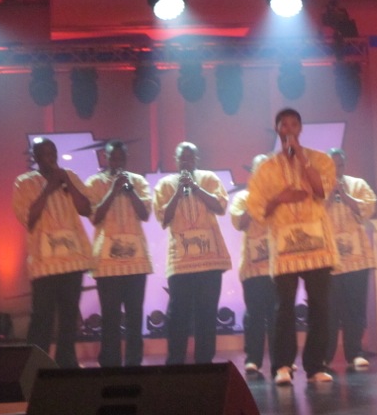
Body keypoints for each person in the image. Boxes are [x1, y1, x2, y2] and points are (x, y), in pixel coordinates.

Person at [247, 108, 339, 385]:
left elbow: (322, 190)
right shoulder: (266, 169)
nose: (288, 129)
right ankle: (283, 366)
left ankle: (315, 366)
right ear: (277, 130)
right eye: (284, 125)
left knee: (320, 306)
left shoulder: (320, 159)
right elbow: (257, 210)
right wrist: (280, 198)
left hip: (317, 244)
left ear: (300, 129)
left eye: (293, 125)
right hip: (284, 246)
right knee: (283, 308)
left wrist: (301, 156)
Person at [12, 137, 93, 368]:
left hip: (73, 261)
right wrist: (48, 189)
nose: (51, 158)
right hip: (44, 264)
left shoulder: (70, 176)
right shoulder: (24, 183)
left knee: (69, 318)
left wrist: (67, 182)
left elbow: (86, 209)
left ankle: (67, 364)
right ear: (36, 157)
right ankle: (36, 368)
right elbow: (28, 218)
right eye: (46, 154)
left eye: (53, 153)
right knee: (42, 318)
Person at [153, 141, 232, 365]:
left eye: (190, 157)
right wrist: (178, 192)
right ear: (176, 160)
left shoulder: (209, 178)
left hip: (210, 261)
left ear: (196, 159)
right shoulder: (165, 185)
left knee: (206, 313)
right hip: (180, 261)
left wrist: (195, 188)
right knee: (178, 314)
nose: (186, 161)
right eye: (182, 158)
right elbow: (163, 218)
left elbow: (220, 207)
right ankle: (175, 362)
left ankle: (204, 362)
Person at [85, 140, 153, 367]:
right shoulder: (94, 183)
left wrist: (129, 190)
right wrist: (113, 190)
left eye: (121, 158)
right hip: (107, 263)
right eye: (113, 158)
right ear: (105, 158)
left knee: (135, 315)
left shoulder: (138, 182)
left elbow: (145, 215)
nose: (117, 162)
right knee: (110, 316)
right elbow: (95, 217)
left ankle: (134, 362)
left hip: (136, 262)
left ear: (126, 158)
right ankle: (110, 363)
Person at [324, 148, 377, 371]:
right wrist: (330, 195)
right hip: (330, 261)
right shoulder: (317, 188)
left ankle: (355, 352)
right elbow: (313, 215)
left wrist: (344, 195)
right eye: (332, 166)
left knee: (355, 309)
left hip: (357, 258)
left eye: (340, 165)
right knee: (329, 311)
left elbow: (369, 208)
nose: (336, 169)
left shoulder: (358, 184)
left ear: (345, 165)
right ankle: (325, 357)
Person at [229, 153, 276, 374]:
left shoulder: (281, 196)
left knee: (277, 315)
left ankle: (281, 360)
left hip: (278, 267)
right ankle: (253, 359)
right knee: (255, 314)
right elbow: (240, 222)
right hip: (252, 267)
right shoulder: (243, 197)